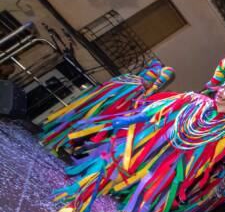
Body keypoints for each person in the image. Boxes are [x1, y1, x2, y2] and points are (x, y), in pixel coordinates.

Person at [54, 56, 225, 212]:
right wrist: (129, 120)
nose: (222, 91)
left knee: (145, 196)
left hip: (170, 165)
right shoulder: (193, 99)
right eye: (223, 85)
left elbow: (206, 161)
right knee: (110, 169)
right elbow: (157, 110)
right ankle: (75, 205)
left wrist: (182, 176)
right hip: (146, 146)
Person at [39, 60, 174, 154]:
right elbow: (155, 84)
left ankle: (64, 141)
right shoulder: (161, 71)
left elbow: (153, 84)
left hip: (124, 93)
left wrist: (145, 94)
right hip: (122, 92)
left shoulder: (156, 71)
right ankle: (60, 139)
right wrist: (147, 92)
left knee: (94, 118)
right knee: (89, 114)